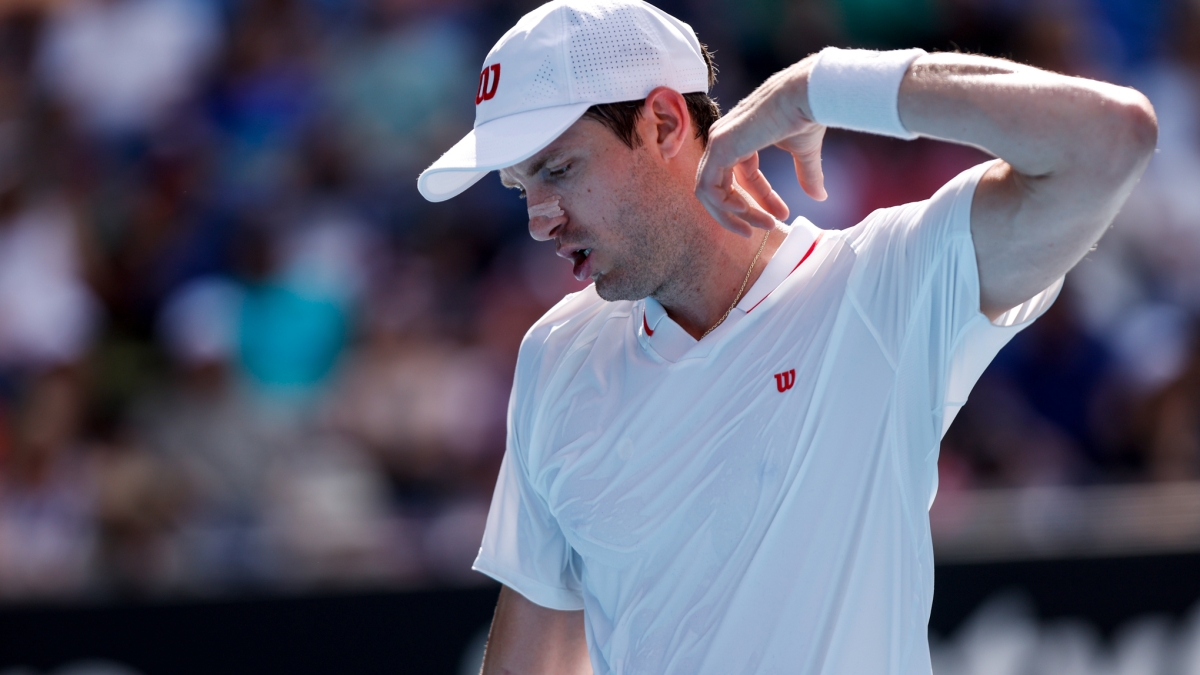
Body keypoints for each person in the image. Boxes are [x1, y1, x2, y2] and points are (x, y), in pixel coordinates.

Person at [417, 1, 1157, 673]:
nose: (538, 219)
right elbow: (532, 662)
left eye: (558, 169)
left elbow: (1111, 138)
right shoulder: (555, 355)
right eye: (521, 186)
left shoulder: (883, 284)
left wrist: (821, 85)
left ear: (665, 124)